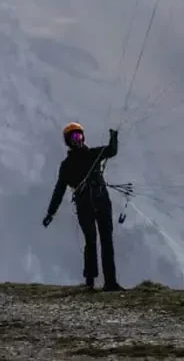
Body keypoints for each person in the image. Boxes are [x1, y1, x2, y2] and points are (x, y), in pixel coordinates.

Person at [42, 123, 123, 292]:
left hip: (102, 201)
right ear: (68, 141)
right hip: (85, 205)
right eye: (73, 138)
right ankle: (90, 281)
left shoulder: (93, 154)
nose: (77, 140)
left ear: (83, 137)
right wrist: (51, 213)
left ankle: (110, 282)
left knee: (106, 240)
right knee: (91, 240)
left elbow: (112, 151)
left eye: (79, 136)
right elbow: (59, 190)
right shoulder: (67, 165)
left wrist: (114, 136)